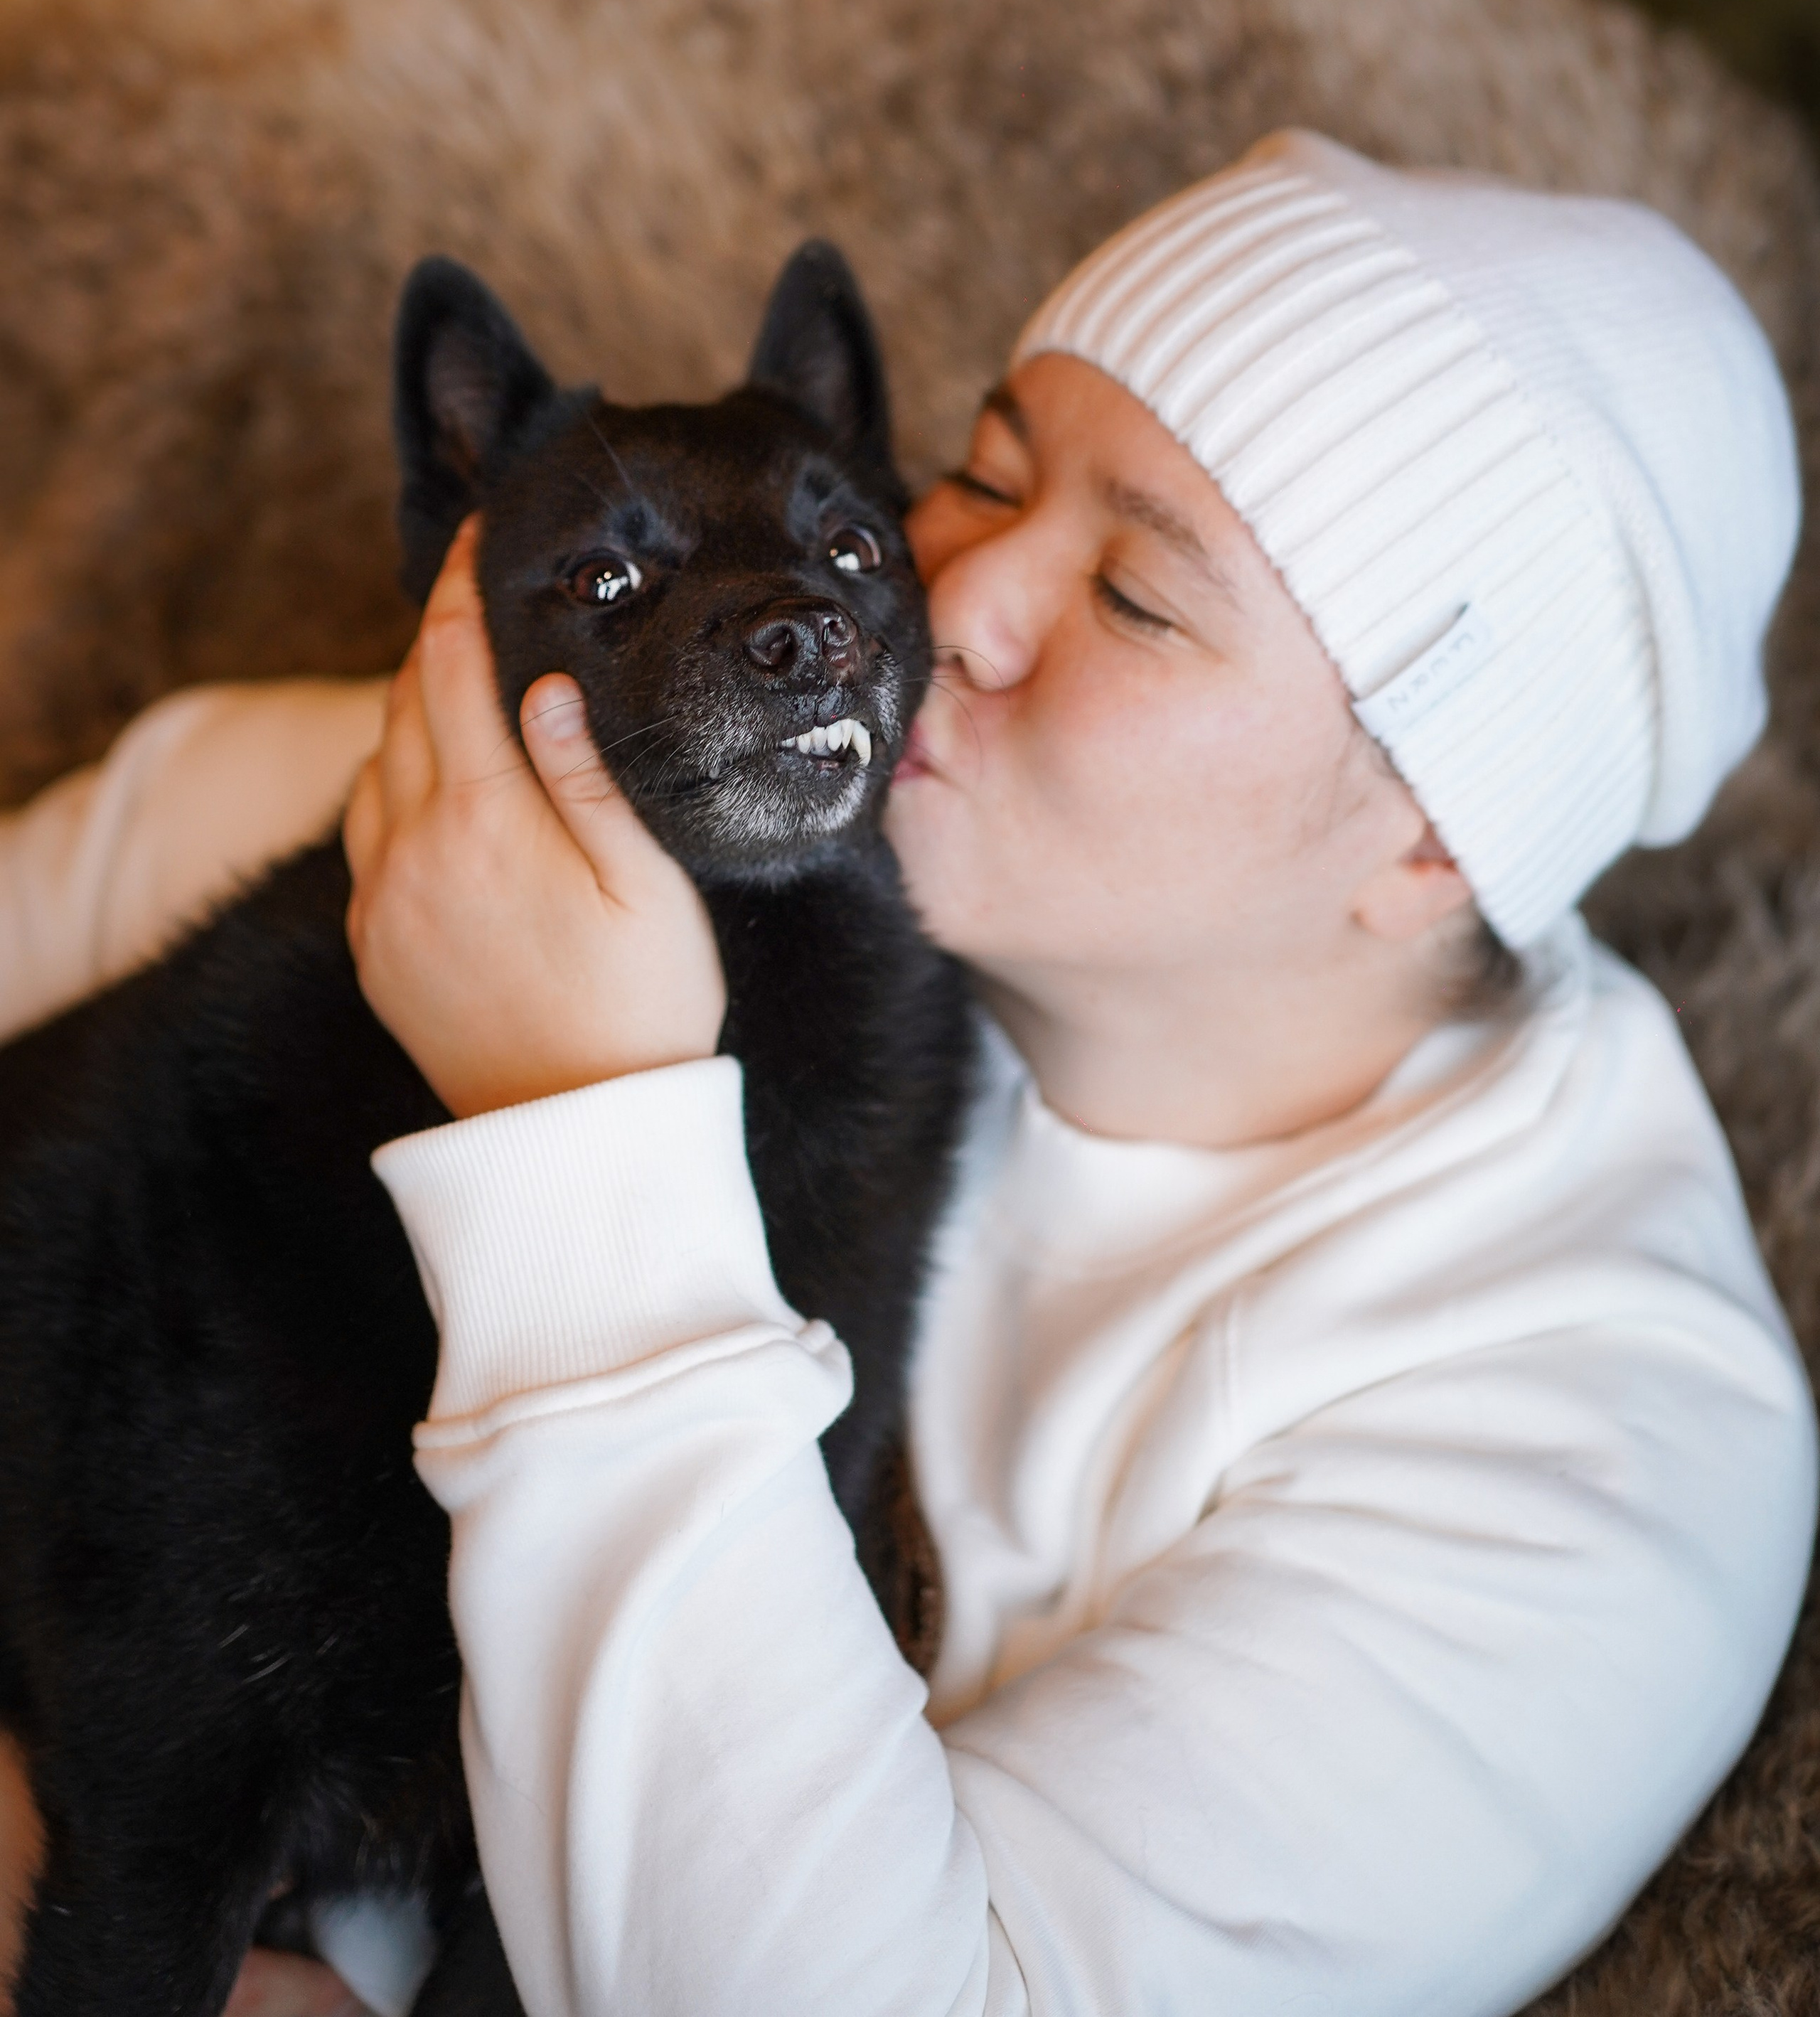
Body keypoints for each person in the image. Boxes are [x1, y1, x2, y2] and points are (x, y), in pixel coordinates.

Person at [0, 129, 1814, 2017]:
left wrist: (582, 1141)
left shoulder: (1578, 1473)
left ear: (1437, 835)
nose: (942, 608)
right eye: (984, 475)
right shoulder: (424, 830)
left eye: (1137, 599)